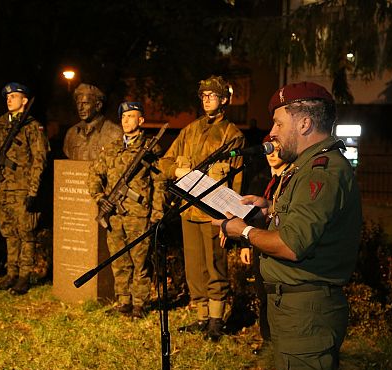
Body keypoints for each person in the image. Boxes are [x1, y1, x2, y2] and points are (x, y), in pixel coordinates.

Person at [213, 81, 362, 370]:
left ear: (305, 123)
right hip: (296, 307)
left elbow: (293, 246)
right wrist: (267, 209)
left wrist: (245, 232)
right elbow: (303, 224)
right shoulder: (307, 167)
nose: (274, 131)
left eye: (279, 123)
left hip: (305, 311)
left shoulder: (320, 172)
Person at [158, 75, 245, 341]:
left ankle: (216, 322)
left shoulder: (232, 135)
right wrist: (177, 169)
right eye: (204, 95)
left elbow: (237, 180)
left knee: (215, 266)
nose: (207, 99)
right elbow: (164, 163)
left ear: (224, 100)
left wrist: (231, 217)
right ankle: (202, 318)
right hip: (188, 210)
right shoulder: (189, 131)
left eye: (213, 95)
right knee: (194, 268)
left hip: (215, 214)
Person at [87, 101, 166, 318]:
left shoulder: (150, 149)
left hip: (138, 214)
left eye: (131, 116)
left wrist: (157, 212)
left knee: (140, 261)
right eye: (123, 117)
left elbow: (159, 183)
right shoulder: (112, 148)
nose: (126, 121)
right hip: (114, 215)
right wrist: (100, 197)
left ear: (141, 121)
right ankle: (123, 301)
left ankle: (139, 304)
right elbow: (94, 175)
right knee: (119, 260)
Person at [0, 82, 49, 295]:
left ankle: (24, 276)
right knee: (9, 233)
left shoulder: (32, 126)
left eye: (14, 96)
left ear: (24, 100)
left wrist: (33, 191)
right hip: (4, 187)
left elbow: (39, 160)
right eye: (7, 96)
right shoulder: (1, 124)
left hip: (23, 189)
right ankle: (11, 273)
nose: (9, 99)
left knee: (26, 234)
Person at [238, 135, 290, 343]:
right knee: (262, 294)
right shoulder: (260, 178)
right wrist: (245, 244)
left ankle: (280, 342)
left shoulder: (289, 179)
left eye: (277, 149)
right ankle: (267, 340)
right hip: (259, 242)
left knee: (278, 296)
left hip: (279, 242)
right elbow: (247, 212)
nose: (272, 154)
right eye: (269, 149)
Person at [63, 83, 122, 160]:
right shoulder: (71, 133)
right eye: (78, 104)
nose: (80, 108)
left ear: (98, 105)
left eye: (85, 103)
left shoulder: (115, 133)